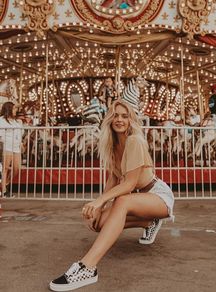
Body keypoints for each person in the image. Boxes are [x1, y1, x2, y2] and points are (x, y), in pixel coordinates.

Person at [49, 100, 175, 291]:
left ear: (131, 120)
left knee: (122, 201)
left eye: (124, 116)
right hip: (138, 198)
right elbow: (113, 181)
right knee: (98, 223)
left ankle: (87, 267)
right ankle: (149, 222)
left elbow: (129, 184)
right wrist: (100, 208)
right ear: (109, 118)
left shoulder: (135, 140)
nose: (119, 119)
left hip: (157, 195)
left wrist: (100, 201)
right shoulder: (112, 145)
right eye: (115, 115)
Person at [0, 102, 23, 197]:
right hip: (7, 146)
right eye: (13, 109)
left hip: (16, 146)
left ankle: (5, 183)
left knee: (17, 168)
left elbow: (19, 132)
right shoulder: (1, 120)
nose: (15, 110)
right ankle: (4, 191)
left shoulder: (16, 121)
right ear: (8, 109)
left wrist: (21, 142)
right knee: (5, 168)